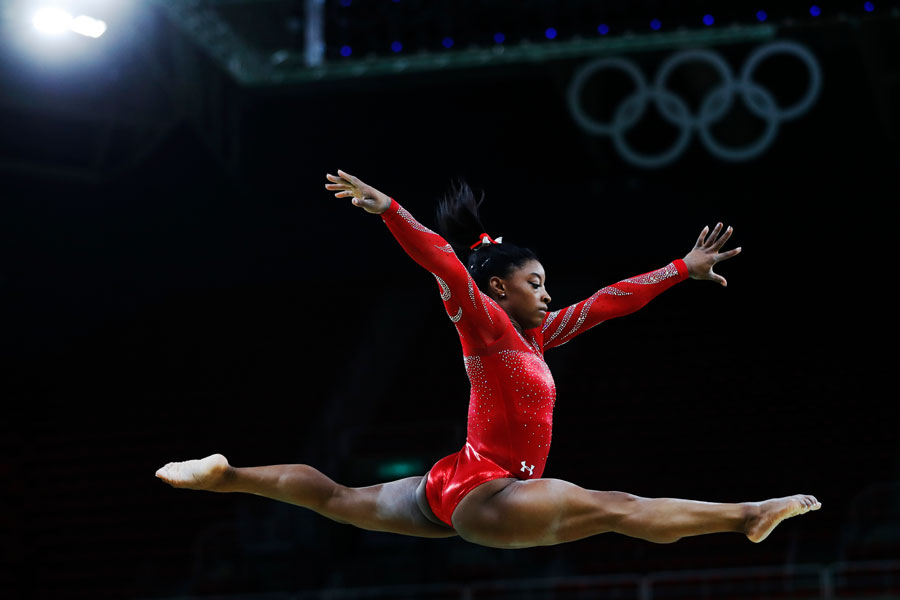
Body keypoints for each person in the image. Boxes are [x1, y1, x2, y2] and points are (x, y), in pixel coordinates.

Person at [156, 169, 820, 549]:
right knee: (617, 507)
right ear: (499, 287)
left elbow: (613, 300)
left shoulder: (537, 337)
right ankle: (746, 514)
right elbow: (443, 261)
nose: (547, 294)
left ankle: (225, 474)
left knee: (334, 496)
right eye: (536, 284)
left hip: (451, 488)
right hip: (487, 490)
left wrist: (681, 267)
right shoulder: (486, 325)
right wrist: (391, 210)